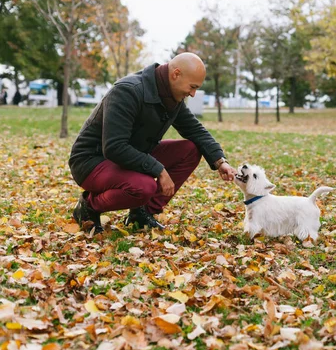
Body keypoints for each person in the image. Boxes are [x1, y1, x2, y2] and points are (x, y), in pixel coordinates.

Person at [68, 53, 237, 235]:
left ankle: (142, 213)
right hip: (91, 161)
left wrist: (220, 161)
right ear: (176, 74)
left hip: (129, 156)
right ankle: (88, 207)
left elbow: (195, 130)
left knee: (190, 150)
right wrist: (158, 169)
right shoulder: (128, 90)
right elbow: (114, 146)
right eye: (192, 87)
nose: (193, 94)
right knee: (144, 186)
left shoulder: (172, 96)